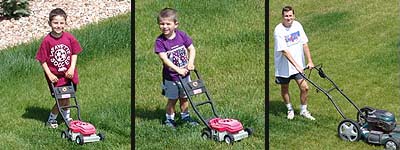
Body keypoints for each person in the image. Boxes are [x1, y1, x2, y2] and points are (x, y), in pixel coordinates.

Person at [36, 8, 83, 128]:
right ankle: (51, 120)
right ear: (49, 23)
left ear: (65, 23)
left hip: (69, 75)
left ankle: (67, 117)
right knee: (61, 99)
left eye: (61, 23)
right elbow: (42, 60)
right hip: (56, 77)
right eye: (55, 23)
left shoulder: (69, 37)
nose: (58, 25)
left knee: (68, 97)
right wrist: (50, 75)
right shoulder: (47, 41)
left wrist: (72, 68)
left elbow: (74, 53)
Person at [154, 7, 199, 128]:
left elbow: (191, 49)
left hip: (185, 75)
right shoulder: (160, 41)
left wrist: (190, 62)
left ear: (176, 24)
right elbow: (164, 58)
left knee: (185, 98)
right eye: (161, 24)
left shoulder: (181, 35)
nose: (164, 26)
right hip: (171, 78)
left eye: (168, 23)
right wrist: (177, 69)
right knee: (172, 100)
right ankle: (169, 120)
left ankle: (185, 117)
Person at [274, 6, 315, 120]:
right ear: (282, 17)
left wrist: (310, 61)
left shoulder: (297, 25)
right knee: (285, 88)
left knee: (305, 88)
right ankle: (289, 109)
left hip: (299, 67)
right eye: (286, 16)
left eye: (290, 15)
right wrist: (296, 65)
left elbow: (304, 44)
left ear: (294, 16)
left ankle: (303, 110)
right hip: (284, 67)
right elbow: (284, 51)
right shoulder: (279, 30)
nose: (288, 18)